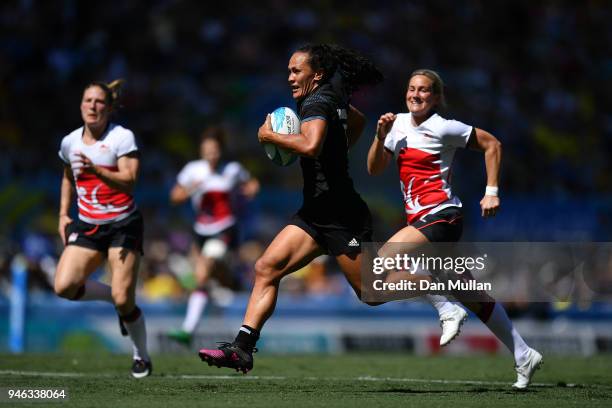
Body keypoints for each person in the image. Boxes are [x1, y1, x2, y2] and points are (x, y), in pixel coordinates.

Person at [197, 44, 466, 373]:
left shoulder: (317, 100)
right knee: (267, 268)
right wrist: (335, 149)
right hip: (315, 212)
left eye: (297, 71)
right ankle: (242, 348)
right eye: (289, 71)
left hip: (341, 215)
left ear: (317, 74)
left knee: (371, 291)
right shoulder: (329, 96)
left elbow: (309, 146)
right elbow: (356, 121)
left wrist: (269, 136)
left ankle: (433, 280)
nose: (290, 77)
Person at [367, 69, 542, 389]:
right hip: (420, 219)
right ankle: (524, 353)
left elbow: (492, 144)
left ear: (435, 97)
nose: (416, 94)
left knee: (381, 262)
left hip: (442, 215)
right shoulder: (397, 125)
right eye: (411, 89)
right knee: (470, 292)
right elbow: (374, 168)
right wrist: (380, 136)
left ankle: (447, 309)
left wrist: (491, 192)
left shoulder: (444, 127)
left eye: (423, 90)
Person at [54, 80, 152, 378]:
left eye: (99, 102)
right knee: (64, 287)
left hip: (123, 223)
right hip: (88, 224)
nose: (92, 106)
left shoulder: (121, 138)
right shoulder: (70, 142)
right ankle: (115, 299)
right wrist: (62, 213)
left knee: (126, 300)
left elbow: (130, 180)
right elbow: (68, 175)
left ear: (109, 108)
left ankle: (141, 356)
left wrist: (97, 170)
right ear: (81, 105)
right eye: (88, 101)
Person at [167, 126, 259, 346]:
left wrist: (252, 190)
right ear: (201, 151)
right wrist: (191, 188)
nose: (211, 154)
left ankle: (188, 330)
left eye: (215, 150)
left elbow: (252, 183)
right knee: (205, 277)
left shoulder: (232, 169)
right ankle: (233, 281)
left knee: (203, 270)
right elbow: (174, 197)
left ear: (220, 150)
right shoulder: (193, 170)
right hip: (201, 230)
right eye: (207, 150)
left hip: (225, 228)